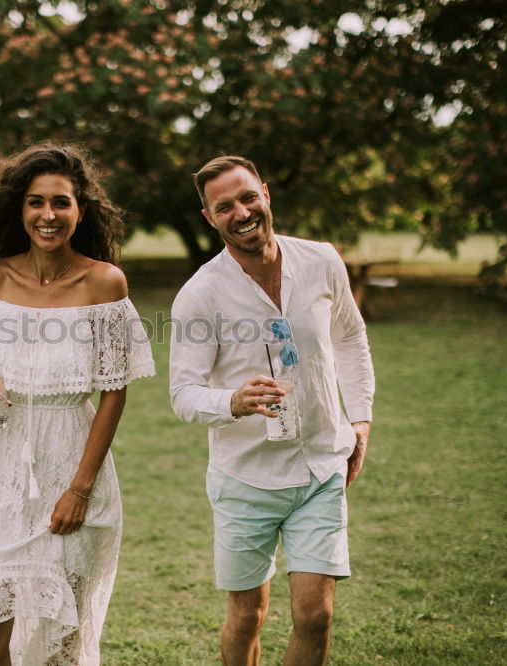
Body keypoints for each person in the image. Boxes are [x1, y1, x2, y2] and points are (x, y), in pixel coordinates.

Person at [0, 142, 155, 665]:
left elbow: (113, 392)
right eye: (36, 202)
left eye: (60, 202)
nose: (48, 215)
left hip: (73, 464)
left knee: (61, 640)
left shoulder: (105, 284)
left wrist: (79, 490)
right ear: (20, 208)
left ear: (81, 209)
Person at [168, 156, 374, 665]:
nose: (241, 212)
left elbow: (351, 338)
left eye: (247, 197)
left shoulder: (322, 261)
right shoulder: (199, 295)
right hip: (246, 479)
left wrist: (361, 417)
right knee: (248, 615)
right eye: (224, 207)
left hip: (322, 466)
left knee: (315, 615)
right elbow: (183, 392)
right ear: (208, 218)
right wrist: (232, 402)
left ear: (265, 192)